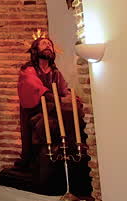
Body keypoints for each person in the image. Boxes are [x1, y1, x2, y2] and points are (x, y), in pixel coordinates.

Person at [13, 32, 81, 170]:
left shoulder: (55, 72)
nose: (48, 46)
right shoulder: (28, 69)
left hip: (55, 108)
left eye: (50, 44)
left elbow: (63, 89)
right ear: (35, 50)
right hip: (37, 109)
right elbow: (34, 86)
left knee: (74, 108)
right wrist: (59, 99)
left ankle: (72, 148)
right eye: (44, 44)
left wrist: (70, 98)